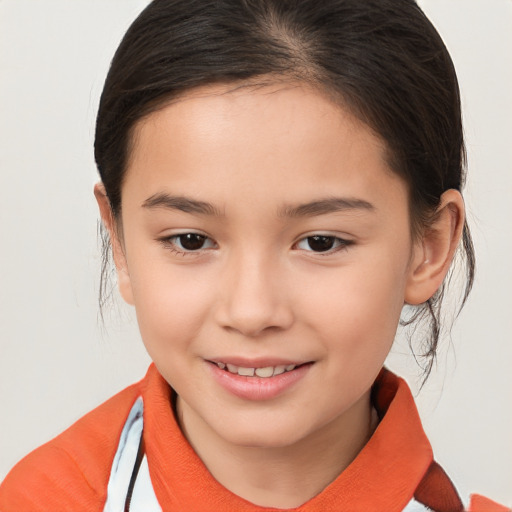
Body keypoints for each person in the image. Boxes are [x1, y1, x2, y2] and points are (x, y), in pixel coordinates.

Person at [0, 0, 509, 510]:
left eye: (321, 242)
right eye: (191, 240)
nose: (251, 311)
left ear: (429, 247)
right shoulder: (42, 499)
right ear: (121, 242)